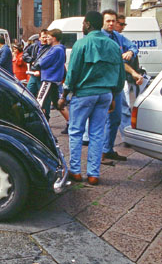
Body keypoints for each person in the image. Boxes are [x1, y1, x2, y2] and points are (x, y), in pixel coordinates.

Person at [57, 11, 125, 185]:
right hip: (105, 94)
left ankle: (76, 171)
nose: (82, 27)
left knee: (76, 131)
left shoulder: (81, 44)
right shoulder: (113, 45)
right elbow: (120, 75)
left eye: (83, 24)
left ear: (88, 24)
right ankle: (93, 174)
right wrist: (114, 96)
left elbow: (72, 74)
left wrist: (64, 95)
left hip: (84, 94)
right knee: (97, 133)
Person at [101, 9, 140, 163]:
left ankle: (107, 149)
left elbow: (133, 46)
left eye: (113, 21)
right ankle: (101, 154)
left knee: (115, 118)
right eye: (108, 21)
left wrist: (130, 51)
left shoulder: (117, 37)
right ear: (103, 21)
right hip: (104, 84)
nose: (111, 24)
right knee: (102, 119)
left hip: (116, 84)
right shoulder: (101, 38)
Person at [35, 29, 68, 124]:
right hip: (54, 79)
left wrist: (40, 60)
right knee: (58, 103)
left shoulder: (55, 50)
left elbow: (42, 62)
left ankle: (40, 124)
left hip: (49, 79)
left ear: (54, 38)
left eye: (49, 37)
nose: (47, 39)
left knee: (39, 102)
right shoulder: (60, 49)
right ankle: (70, 122)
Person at [25, 29, 50, 97]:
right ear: (39, 38)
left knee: (43, 97)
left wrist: (39, 70)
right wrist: (31, 60)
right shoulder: (34, 46)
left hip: (43, 76)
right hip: (33, 74)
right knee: (28, 94)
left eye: (46, 37)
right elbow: (25, 54)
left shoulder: (50, 48)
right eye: (43, 37)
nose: (45, 39)